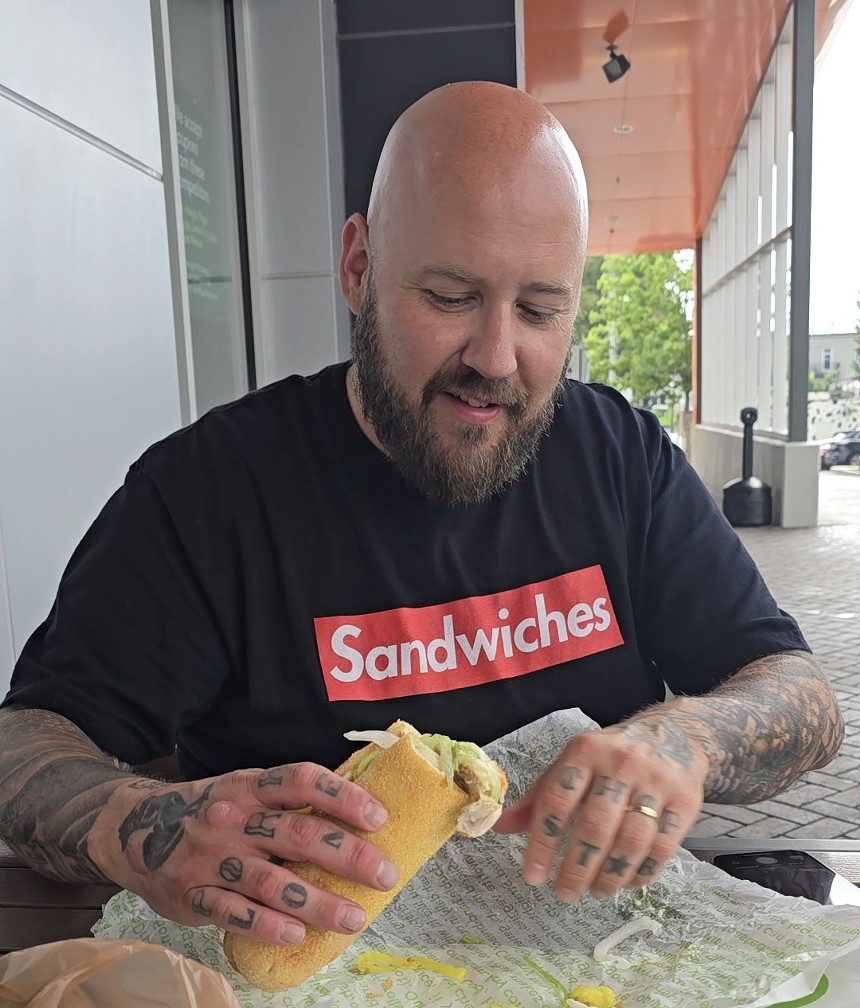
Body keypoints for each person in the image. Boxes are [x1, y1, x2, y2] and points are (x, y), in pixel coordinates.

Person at [0, 81, 843, 952]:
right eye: (449, 296)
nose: (496, 356)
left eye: (541, 309)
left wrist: (689, 738)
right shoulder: (210, 491)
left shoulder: (619, 456)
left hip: (608, 955)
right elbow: (24, 745)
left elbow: (802, 697)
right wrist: (138, 821)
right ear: (359, 267)